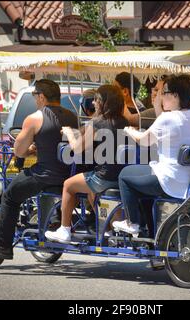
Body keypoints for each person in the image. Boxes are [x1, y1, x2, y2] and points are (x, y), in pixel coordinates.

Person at [0, 79, 78, 259]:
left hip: (44, 175)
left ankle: (3, 247)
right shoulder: (72, 116)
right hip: (67, 176)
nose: (35, 99)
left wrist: (28, 151)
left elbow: (18, 150)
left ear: (41, 97)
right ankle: (52, 221)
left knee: (9, 197)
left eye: (35, 96)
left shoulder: (35, 118)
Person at [112, 74, 190, 235]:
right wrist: (157, 105)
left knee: (124, 175)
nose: (162, 96)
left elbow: (144, 140)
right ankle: (151, 230)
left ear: (175, 95)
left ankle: (132, 222)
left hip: (169, 179)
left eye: (164, 92)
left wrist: (129, 131)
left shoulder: (169, 118)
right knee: (142, 182)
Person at [45, 84, 129, 243]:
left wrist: (69, 133)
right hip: (119, 176)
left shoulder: (97, 123)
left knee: (69, 185)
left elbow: (77, 148)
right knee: (91, 193)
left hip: (103, 177)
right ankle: (107, 231)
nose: (93, 104)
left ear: (104, 102)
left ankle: (64, 229)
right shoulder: (123, 121)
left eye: (96, 100)